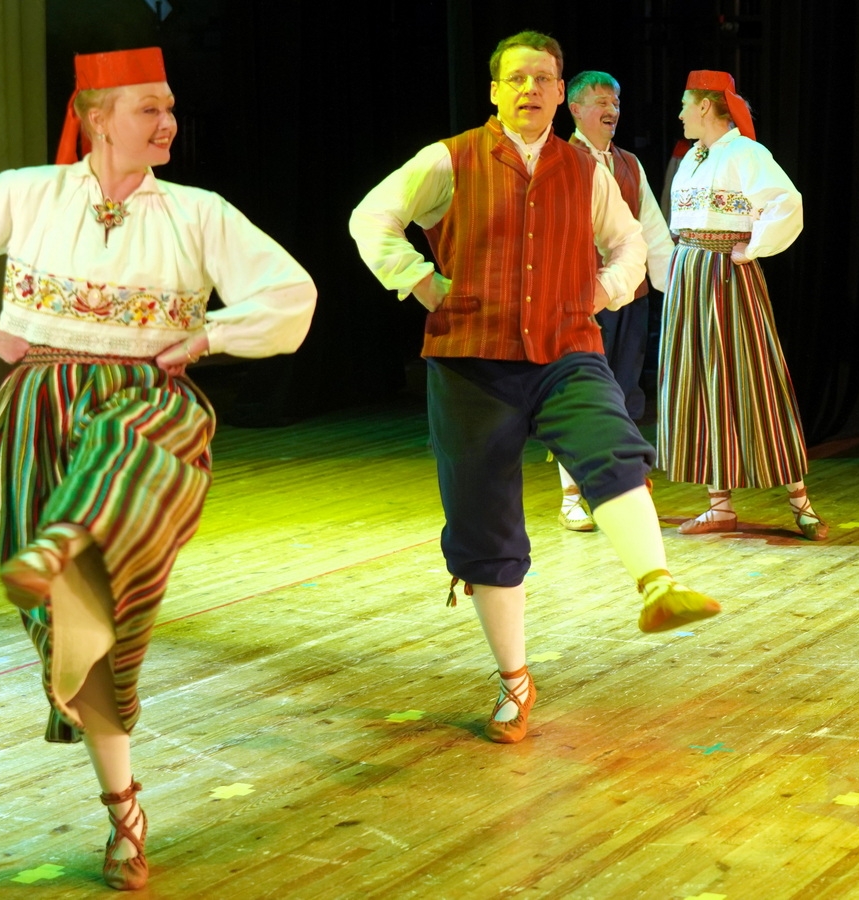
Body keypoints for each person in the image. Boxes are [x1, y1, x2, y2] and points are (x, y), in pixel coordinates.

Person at [0, 48, 316, 890]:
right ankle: (123, 810)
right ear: (95, 116)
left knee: (133, 451)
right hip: (37, 405)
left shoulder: (198, 212)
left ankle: (67, 538)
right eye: (150, 108)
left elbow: (289, 292)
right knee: (79, 635)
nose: (168, 123)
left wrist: (209, 336)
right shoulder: (29, 192)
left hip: (145, 400)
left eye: (170, 108)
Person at [349, 31, 721, 745]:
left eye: (543, 79)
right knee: (484, 521)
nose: (530, 89)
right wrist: (421, 281)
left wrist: (602, 292)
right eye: (516, 78)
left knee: (611, 445)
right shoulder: (449, 159)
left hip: (564, 350)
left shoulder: (584, 170)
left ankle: (657, 585)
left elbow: (630, 244)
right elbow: (371, 218)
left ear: (559, 93)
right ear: (495, 91)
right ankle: (514, 680)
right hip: (471, 360)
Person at [660, 70, 825, 540]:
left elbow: (787, 203)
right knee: (701, 381)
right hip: (690, 273)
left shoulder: (746, 153)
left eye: (685, 104)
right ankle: (719, 504)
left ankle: (800, 501)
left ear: (705, 105)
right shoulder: (693, 157)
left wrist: (752, 247)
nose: (680, 113)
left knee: (753, 376)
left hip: (725, 276)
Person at [551, 69, 674, 532]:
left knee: (623, 394)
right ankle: (571, 496)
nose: (611, 110)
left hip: (630, 298)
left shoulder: (629, 164)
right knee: (579, 396)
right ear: (575, 109)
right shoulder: (559, 160)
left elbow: (652, 232)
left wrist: (674, 289)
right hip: (580, 299)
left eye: (616, 102)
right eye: (601, 101)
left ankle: (616, 491)